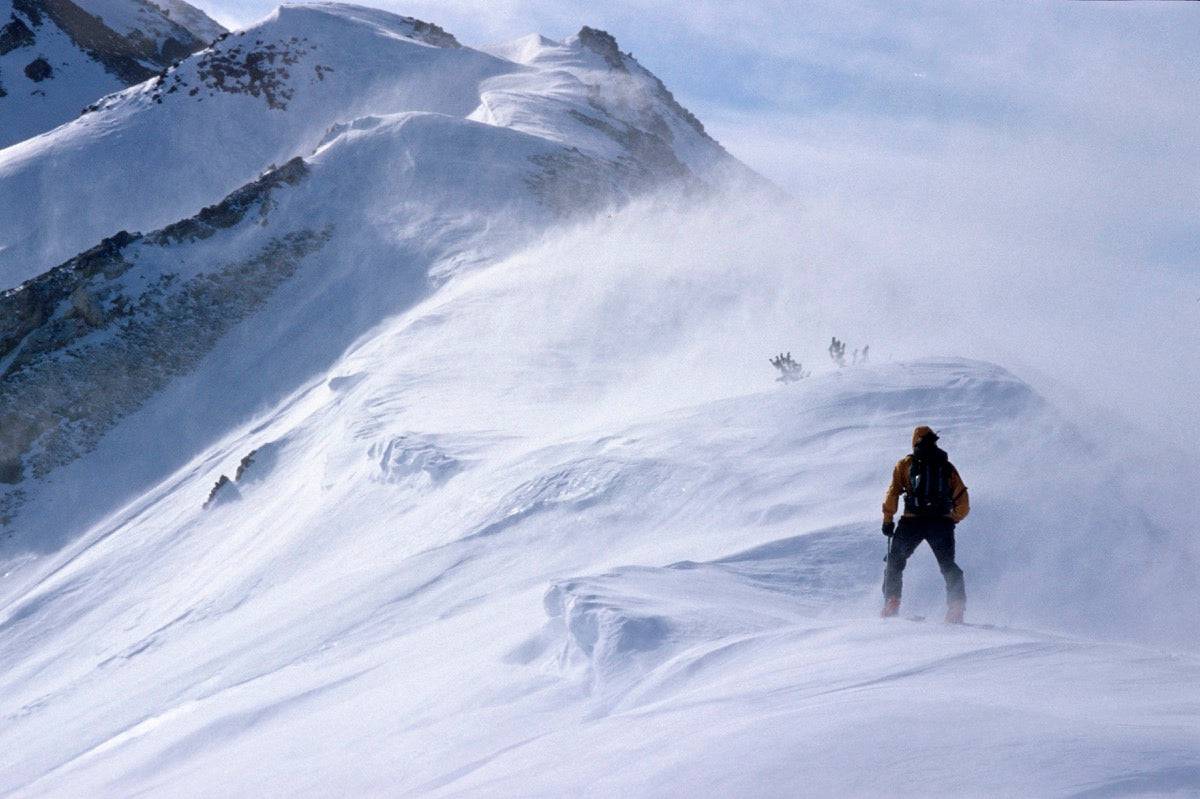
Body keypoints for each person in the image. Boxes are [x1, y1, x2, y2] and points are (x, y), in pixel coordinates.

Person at [880, 426, 970, 622]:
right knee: (947, 564)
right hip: (940, 523)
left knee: (895, 561)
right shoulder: (946, 467)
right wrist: (952, 518)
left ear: (915, 441)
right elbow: (962, 498)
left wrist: (888, 520)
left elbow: (893, 492)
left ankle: (892, 600)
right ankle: (956, 606)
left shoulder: (905, 464)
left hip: (912, 521)